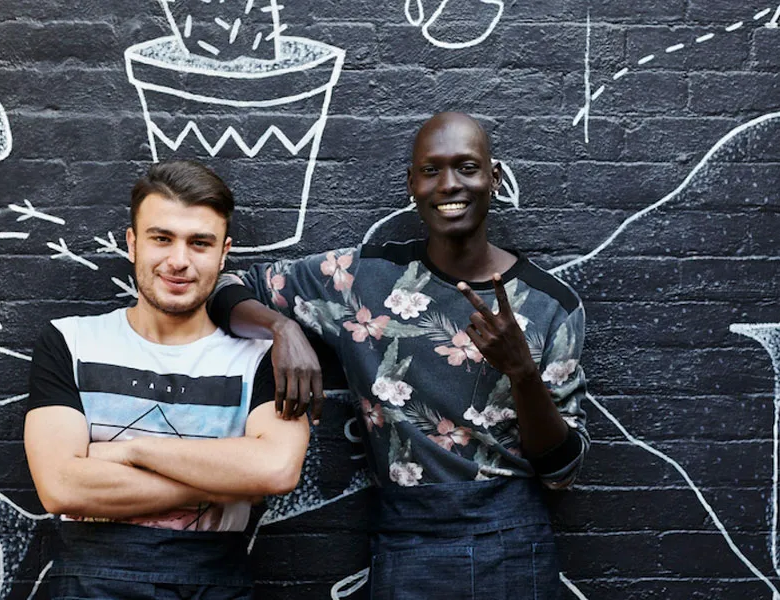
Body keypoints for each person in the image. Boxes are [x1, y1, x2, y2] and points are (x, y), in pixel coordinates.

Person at [208, 112, 590, 598]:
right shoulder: (361, 278)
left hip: (511, 542)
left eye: (467, 167)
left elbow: (562, 471)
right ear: (412, 184)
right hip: (406, 540)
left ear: (494, 178)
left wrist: (522, 373)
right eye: (431, 170)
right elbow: (225, 286)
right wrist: (280, 327)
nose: (449, 184)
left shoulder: (551, 304)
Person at [23, 160, 310, 600]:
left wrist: (131, 452)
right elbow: (61, 487)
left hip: (215, 582)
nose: (179, 261)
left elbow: (274, 469)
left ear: (223, 252)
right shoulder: (70, 340)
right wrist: (227, 480)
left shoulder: (261, 359)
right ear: (133, 243)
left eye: (200, 243)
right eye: (162, 239)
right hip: (89, 582)